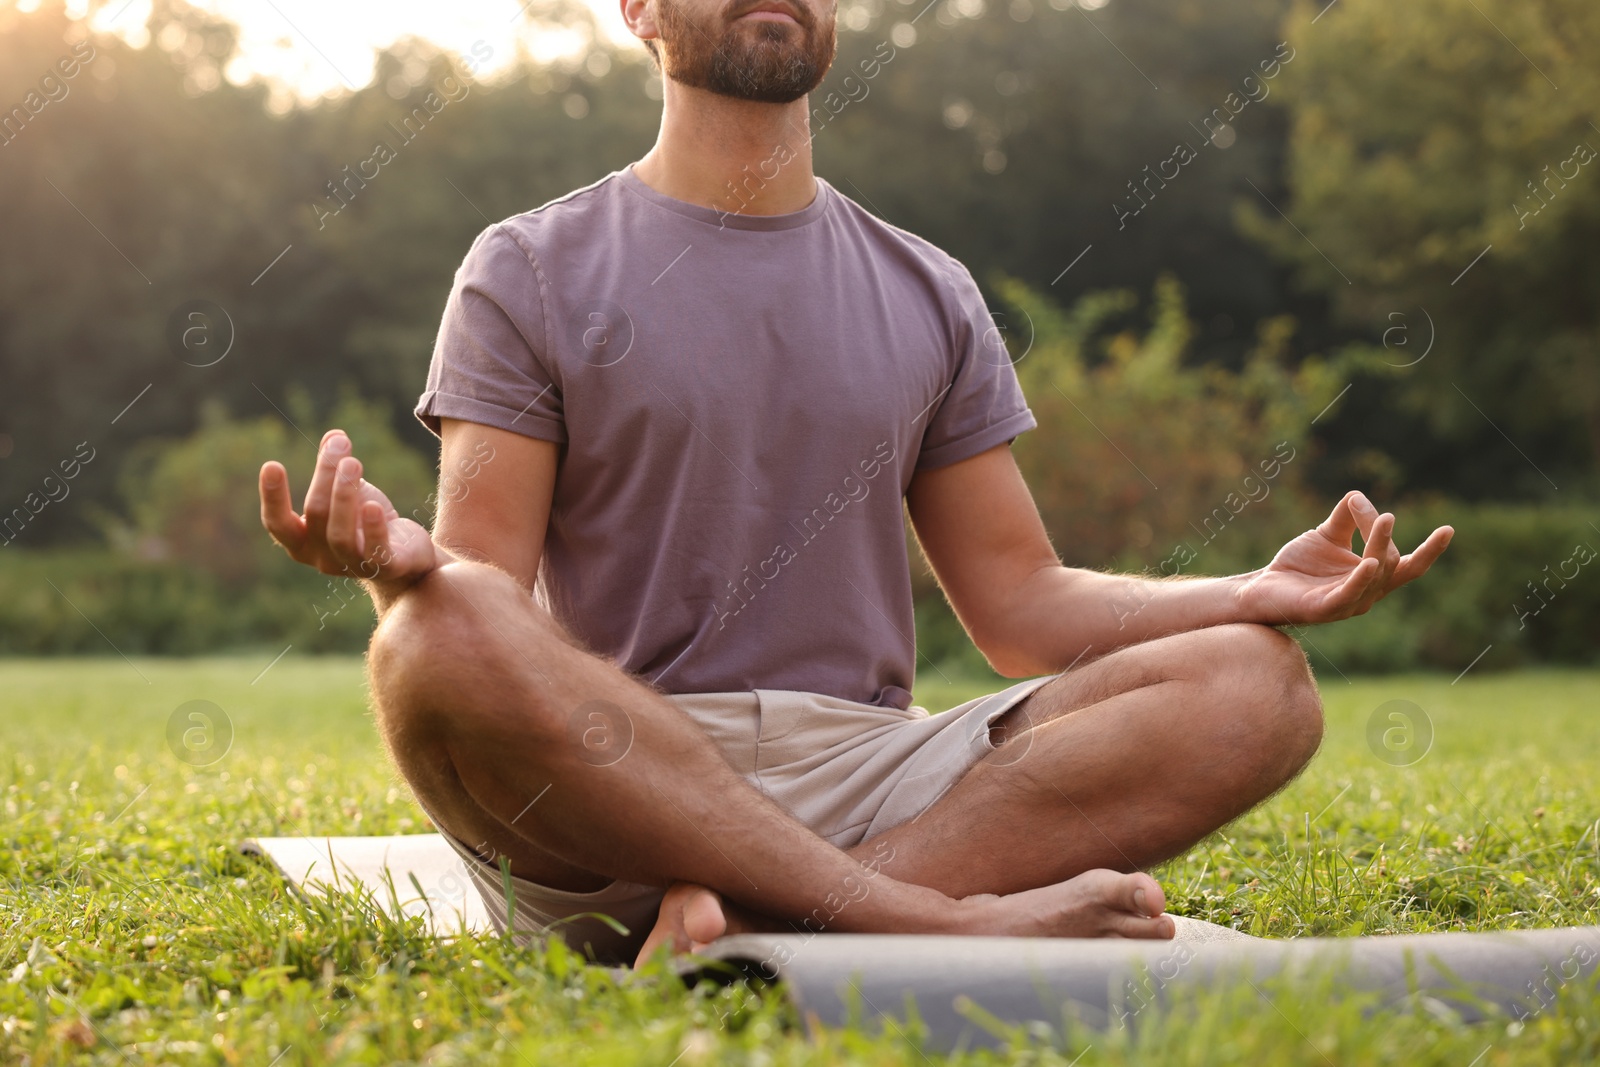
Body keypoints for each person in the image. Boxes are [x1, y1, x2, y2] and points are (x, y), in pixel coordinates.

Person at [258, 0, 1453, 967]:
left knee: (1257, 682)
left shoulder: (928, 288)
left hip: (879, 780)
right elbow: (484, 600)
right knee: (430, 634)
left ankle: (778, 923)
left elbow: (1023, 606)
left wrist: (1254, 587)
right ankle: (918, 923)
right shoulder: (526, 267)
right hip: (621, 774)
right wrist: (391, 570)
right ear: (638, 11)